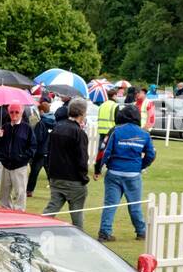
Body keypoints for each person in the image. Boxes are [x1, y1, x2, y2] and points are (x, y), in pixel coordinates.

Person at [94, 104, 155, 241]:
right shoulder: (144, 134)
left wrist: (98, 169)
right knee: (135, 206)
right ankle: (141, 232)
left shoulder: (115, 131)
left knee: (110, 204)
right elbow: (151, 155)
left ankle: (105, 232)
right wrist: (140, 166)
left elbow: (104, 151)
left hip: (114, 173)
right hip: (133, 174)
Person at [43, 98, 91, 230]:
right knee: (77, 215)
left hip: (56, 177)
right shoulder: (79, 133)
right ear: (82, 113)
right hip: (73, 180)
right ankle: (79, 242)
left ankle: (39, 229)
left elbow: (49, 154)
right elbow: (82, 159)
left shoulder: (57, 129)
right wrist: (83, 178)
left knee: (51, 209)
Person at [0, 103, 36, 211]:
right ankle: (5, 212)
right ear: (8, 112)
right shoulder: (5, 127)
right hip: (5, 165)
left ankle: (19, 214)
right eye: (12, 112)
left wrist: (22, 157)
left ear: (21, 112)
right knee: (3, 192)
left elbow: (33, 146)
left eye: (17, 112)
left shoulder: (27, 128)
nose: (14, 114)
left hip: (20, 166)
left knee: (20, 193)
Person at [27, 95, 54, 196]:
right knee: (50, 173)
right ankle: (55, 191)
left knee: (34, 171)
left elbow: (38, 138)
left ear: (41, 111)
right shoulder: (54, 121)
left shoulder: (41, 123)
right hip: (50, 150)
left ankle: (29, 190)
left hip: (40, 151)